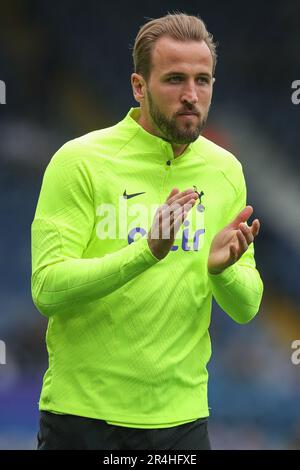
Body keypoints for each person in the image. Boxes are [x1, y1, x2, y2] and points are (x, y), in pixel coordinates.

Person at [31, 12, 263, 450]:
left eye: (203, 80)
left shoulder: (225, 170)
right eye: (175, 79)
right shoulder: (79, 161)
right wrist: (146, 252)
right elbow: (47, 288)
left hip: (183, 423)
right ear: (139, 87)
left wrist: (223, 272)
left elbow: (247, 305)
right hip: (83, 420)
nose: (191, 95)